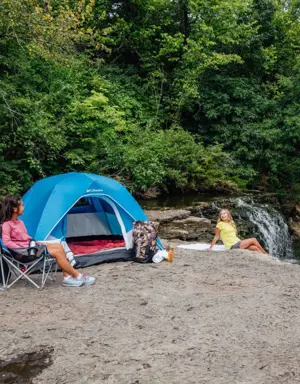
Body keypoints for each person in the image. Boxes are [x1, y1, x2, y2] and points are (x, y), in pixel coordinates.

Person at [0, 195, 96, 287]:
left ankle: (67, 278)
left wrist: (37, 243)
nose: (24, 207)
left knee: (59, 245)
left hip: (31, 247)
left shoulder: (20, 222)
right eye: (22, 205)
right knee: (57, 252)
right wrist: (24, 247)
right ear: (14, 209)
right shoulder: (6, 225)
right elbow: (7, 242)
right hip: (25, 254)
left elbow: (25, 238)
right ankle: (77, 275)